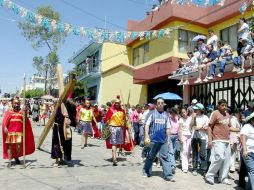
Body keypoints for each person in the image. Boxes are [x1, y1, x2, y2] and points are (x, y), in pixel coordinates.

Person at [205, 99, 240, 185]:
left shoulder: (227, 115)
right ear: (218, 106)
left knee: (226, 160)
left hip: (226, 140)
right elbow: (209, 127)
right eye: (222, 105)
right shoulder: (215, 113)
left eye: (225, 105)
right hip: (217, 139)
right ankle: (209, 175)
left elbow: (229, 127)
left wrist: (238, 129)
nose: (224, 107)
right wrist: (210, 140)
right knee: (219, 157)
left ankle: (223, 178)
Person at [143, 97, 175, 182]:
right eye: (158, 103)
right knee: (150, 156)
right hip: (153, 140)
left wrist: (168, 139)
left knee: (165, 157)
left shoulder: (166, 115)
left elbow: (168, 128)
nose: (160, 104)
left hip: (163, 140)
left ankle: (168, 175)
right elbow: (147, 125)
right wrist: (146, 136)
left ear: (164, 104)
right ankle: (146, 172)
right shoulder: (151, 113)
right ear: (156, 104)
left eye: (162, 103)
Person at [2, 97, 35, 167]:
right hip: (10, 132)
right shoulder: (9, 111)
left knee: (18, 147)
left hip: (19, 132)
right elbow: (5, 121)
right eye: (15, 103)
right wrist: (5, 127)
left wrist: (25, 112)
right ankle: (10, 161)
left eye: (17, 103)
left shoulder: (22, 112)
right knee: (9, 146)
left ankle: (16, 157)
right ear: (12, 104)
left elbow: (25, 120)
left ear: (19, 104)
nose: (16, 104)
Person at [104, 97, 128, 166]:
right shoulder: (111, 110)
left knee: (117, 143)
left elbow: (124, 120)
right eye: (116, 103)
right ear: (114, 103)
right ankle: (114, 158)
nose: (117, 104)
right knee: (114, 143)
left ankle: (113, 156)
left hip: (120, 128)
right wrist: (106, 130)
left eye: (118, 103)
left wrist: (126, 120)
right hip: (112, 128)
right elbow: (107, 120)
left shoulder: (123, 111)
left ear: (120, 104)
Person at [190, 103, 209, 176]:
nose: (195, 110)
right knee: (194, 153)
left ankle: (204, 169)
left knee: (203, 154)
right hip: (194, 137)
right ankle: (194, 169)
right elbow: (190, 126)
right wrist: (193, 118)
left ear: (200, 110)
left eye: (196, 109)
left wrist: (200, 128)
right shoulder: (194, 116)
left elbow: (207, 128)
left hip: (203, 138)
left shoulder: (205, 117)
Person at [240, 112, 254, 190]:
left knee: (251, 172)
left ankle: (248, 187)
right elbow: (243, 138)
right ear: (252, 120)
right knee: (253, 171)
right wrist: (245, 150)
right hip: (248, 152)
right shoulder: (247, 126)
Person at [179, 107, 192, 173]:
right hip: (183, 135)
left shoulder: (190, 118)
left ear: (187, 112)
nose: (183, 113)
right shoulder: (181, 119)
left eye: (184, 112)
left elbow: (192, 126)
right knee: (184, 151)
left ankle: (186, 164)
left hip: (190, 136)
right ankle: (184, 167)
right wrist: (180, 137)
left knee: (188, 151)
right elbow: (180, 129)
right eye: (182, 112)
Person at [168, 107, 181, 173]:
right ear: (171, 113)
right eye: (174, 114)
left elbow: (179, 129)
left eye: (176, 114)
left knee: (173, 151)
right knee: (171, 152)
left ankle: (170, 164)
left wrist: (179, 137)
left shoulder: (177, 119)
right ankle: (173, 166)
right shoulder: (168, 119)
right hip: (170, 136)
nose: (175, 115)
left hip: (176, 137)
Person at [229, 108, 242, 173]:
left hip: (236, 138)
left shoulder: (235, 119)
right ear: (238, 113)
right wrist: (241, 130)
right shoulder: (234, 119)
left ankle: (233, 167)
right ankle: (233, 167)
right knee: (234, 153)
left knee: (234, 153)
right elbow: (233, 130)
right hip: (235, 138)